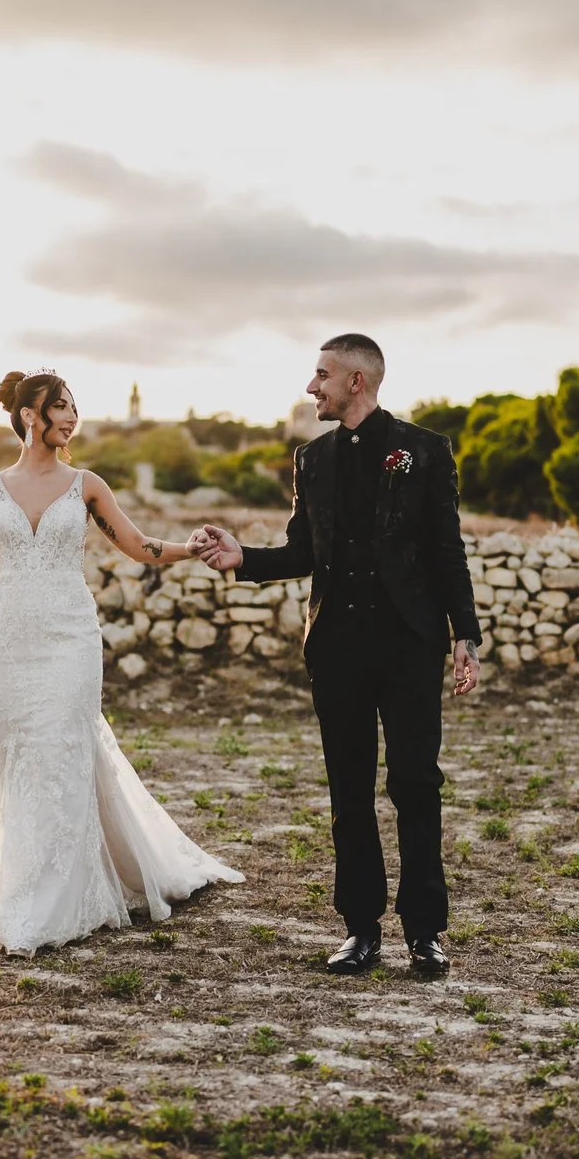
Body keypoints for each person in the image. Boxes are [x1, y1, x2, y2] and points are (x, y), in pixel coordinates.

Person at [191, 334, 480, 977]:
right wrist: (245, 559)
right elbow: (301, 552)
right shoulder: (311, 459)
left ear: (357, 381)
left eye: (320, 375)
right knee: (348, 793)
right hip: (337, 650)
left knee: (415, 785)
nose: (310, 387)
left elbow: (446, 550)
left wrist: (466, 635)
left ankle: (426, 932)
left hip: (410, 645)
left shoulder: (426, 451)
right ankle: (360, 931)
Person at [0, 370, 243, 954]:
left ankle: (58, 901)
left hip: (70, 637)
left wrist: (189, 550)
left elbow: (137, 544)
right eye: (61, 408)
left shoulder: (87, 485)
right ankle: (28, 884)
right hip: (9, 640)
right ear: (30, 416)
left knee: (63, 752)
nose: (72, 418)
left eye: (75, 408)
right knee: (24, 757)